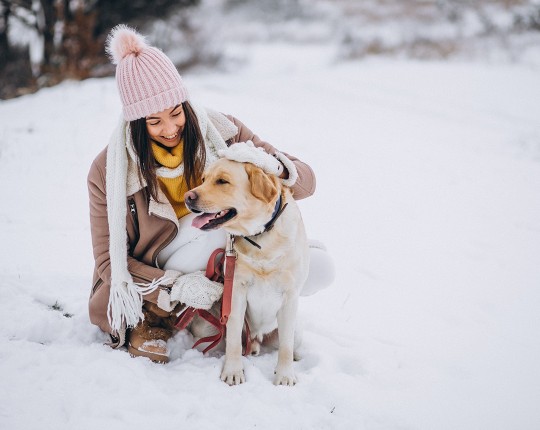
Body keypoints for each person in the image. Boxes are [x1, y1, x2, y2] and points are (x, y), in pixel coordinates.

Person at [87, 24, 334, 363]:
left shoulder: (222, 130)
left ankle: (257, 317)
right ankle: (155, 318)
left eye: (176, 113)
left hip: (224, 240)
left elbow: (305, 183)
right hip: (162, 264)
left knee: (319, 266)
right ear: (135, 123)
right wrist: (172, 284)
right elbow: (108, 263)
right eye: (154, 121)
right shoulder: (108, 170)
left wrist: (271, 164)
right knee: (214, 233)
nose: (171, 128)